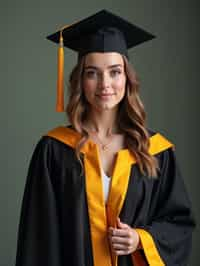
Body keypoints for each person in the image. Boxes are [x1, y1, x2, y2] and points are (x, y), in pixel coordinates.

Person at [15, 10, 195, 266]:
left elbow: (179, 225)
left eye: (114, 72)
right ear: (80, 80)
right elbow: (38, 239)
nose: (104, 84)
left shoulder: (155, 150)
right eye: (92, 73)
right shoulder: (54, 151)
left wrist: (140, 239)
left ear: (127, 78)